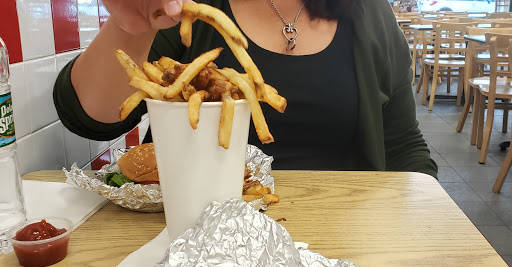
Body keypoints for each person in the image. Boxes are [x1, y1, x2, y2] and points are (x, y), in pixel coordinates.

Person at [54, 0, 437, 177]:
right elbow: (91, 118)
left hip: (344, 234)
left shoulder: (369, 12)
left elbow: (403, 145)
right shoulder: (187, 5)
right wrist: (132, 24)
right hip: (192, 236)